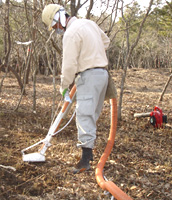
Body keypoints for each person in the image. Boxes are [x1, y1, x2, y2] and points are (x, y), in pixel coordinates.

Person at [42, 4, 116, 174]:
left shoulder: (70, 34)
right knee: (91, 114)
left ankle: (85, 161)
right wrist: (92, 52)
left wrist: (63, 86)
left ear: (58, 18)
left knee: (84, 115)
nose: (56, 29)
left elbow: (68, 65)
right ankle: (87, 154)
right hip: (102, 75)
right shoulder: (88, 23)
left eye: (55, 26)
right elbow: (106, 41)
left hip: (88, 76)